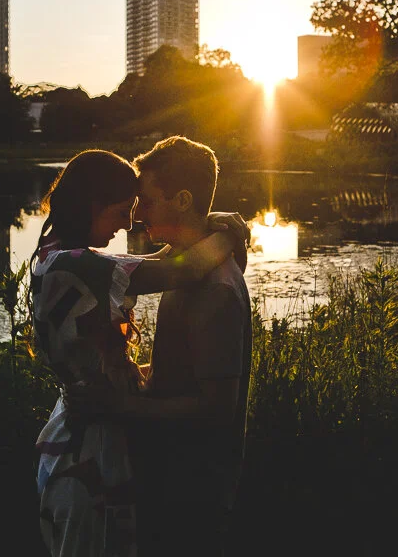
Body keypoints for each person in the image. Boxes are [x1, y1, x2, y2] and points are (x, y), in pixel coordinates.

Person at [32, 149, 247, 557]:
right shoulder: (74, 266)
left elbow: (161, 261)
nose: (130, 222)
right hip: (86, 448)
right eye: (123, 210)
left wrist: (214, 223)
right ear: (94, 206)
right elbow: (180, 269)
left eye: (139, 206)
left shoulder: (61, 256)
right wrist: (229, 233)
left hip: (86, 435)